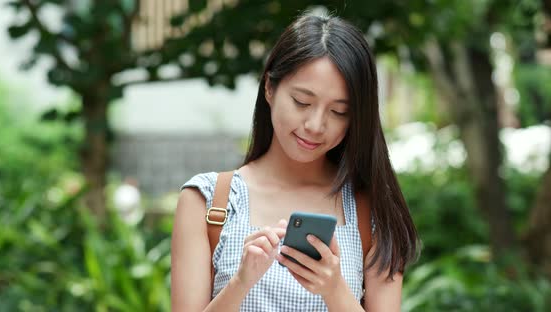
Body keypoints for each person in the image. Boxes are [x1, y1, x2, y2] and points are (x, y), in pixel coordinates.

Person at [171, 13, 419, 312]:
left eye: (339, 111)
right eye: (302, 102)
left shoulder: (371, 209)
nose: (315, 125)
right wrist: (240, 283)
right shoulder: (209, 201)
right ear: (269, 89)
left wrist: (334, 290)